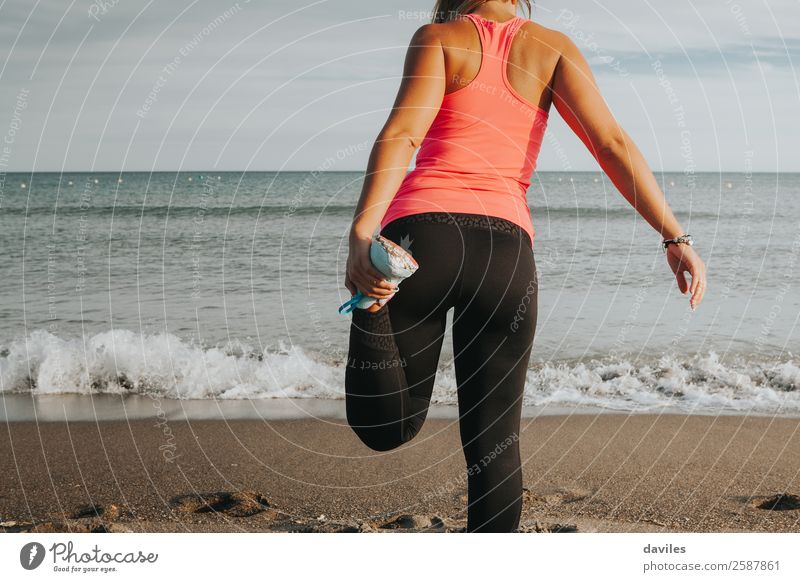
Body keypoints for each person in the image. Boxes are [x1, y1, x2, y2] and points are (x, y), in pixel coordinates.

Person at [343, 0, 707, 533]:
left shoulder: (439, 38)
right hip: (506, 255)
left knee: (387, 426)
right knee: (495, 443)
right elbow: (610, 143)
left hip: (423, 241)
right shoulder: (552, 47)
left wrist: (361, 231)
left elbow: (403, 134)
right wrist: (673, 236)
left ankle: (371, 304)